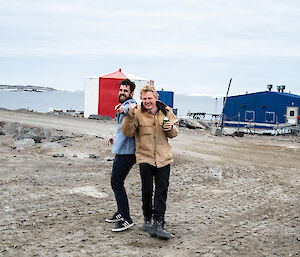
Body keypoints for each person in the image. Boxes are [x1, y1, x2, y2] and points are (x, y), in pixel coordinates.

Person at [121, 84, 178, 239]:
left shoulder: (166, 111)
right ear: (141, 99)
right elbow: (127, 132)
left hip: (164, 158)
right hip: (145, 158)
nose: (147, 101)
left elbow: (174, 133)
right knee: (147, 191)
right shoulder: (137, 113)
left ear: (155, 98)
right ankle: (147, 218)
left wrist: (170, 128)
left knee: (162, 191)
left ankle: (158, 223)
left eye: (149, 98)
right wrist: (129, 115)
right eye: (144, 98)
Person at [105, 79, 137, 232]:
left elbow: (132, 109)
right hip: (121, 149)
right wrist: (115, 138)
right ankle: (120, 213)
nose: (122, 93)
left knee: (116, 182)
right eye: (121, 90)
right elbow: (123, 127)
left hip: (128, 152)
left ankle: (126, 218)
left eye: (125, 91)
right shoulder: (124, 105)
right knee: (116, 182)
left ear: (131, 93)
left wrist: (124, 109)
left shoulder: (131, 105)